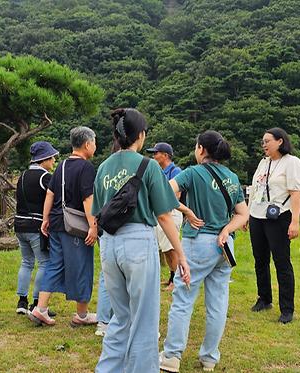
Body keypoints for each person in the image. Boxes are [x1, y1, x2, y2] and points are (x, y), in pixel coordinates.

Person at [92, 108, 191, 373]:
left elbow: (97, 214)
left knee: (121, 315)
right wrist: (180, 254)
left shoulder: (103, 167)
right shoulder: (148, 166)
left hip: (109, 244)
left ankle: (108, 369)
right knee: (144, 318)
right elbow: (164, 216)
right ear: (141, 135)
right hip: (138, 240)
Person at [159, 130, 250, 372]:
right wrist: (226, 229)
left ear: (201, 149)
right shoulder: (231, 177)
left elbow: (161, 193)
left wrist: (185, 211)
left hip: (197, 243)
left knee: (183, 300)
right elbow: (243, 214)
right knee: (218, 303)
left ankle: (171, 356)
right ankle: (209, 358)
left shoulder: (191, 173)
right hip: (224, 246)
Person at [29, 126, 99, 327]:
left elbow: (50, 194)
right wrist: (93, 226)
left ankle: (40, 308)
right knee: (81, 267)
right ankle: (82, 314)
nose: (95, 146)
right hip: (75, 226)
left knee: (54, 264)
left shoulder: (61, 165)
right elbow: (88, 199)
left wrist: (45, 219)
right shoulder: (86, 168)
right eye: (94, 142)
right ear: (87, 144)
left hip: (57, 223)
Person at [247, 127, 300, 324]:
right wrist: (247, 214)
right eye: (262, 142)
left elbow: (296, 193)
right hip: (257, 215)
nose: (264, 145)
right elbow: (254, 190)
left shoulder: (291, 163)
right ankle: (264, 298)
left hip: (278, 216)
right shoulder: (263, 164)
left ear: (280, 141)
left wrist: (295, 222)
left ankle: (287, 309)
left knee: (282, 262)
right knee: (260, 260)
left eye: (267, 141)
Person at [14, 141, 58, 315]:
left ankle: (21, 301)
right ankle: (36, 303)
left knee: (26, 262)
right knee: (45, 263)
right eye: (52, 157)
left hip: (19, 224)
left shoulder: (22, 176)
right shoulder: (45, 177)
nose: (54, 160)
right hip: (36, 225)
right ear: (44, 159)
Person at [145, 142, 184, 292]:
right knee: (164, 248)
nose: (153, 156)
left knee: (171, 248)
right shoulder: (158, 171)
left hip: (171, 212)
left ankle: (176, 280)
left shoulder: (175, 171)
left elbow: (176, 194)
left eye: (156, 153)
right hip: (159, 212)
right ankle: (171, 277)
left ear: (166, 155)